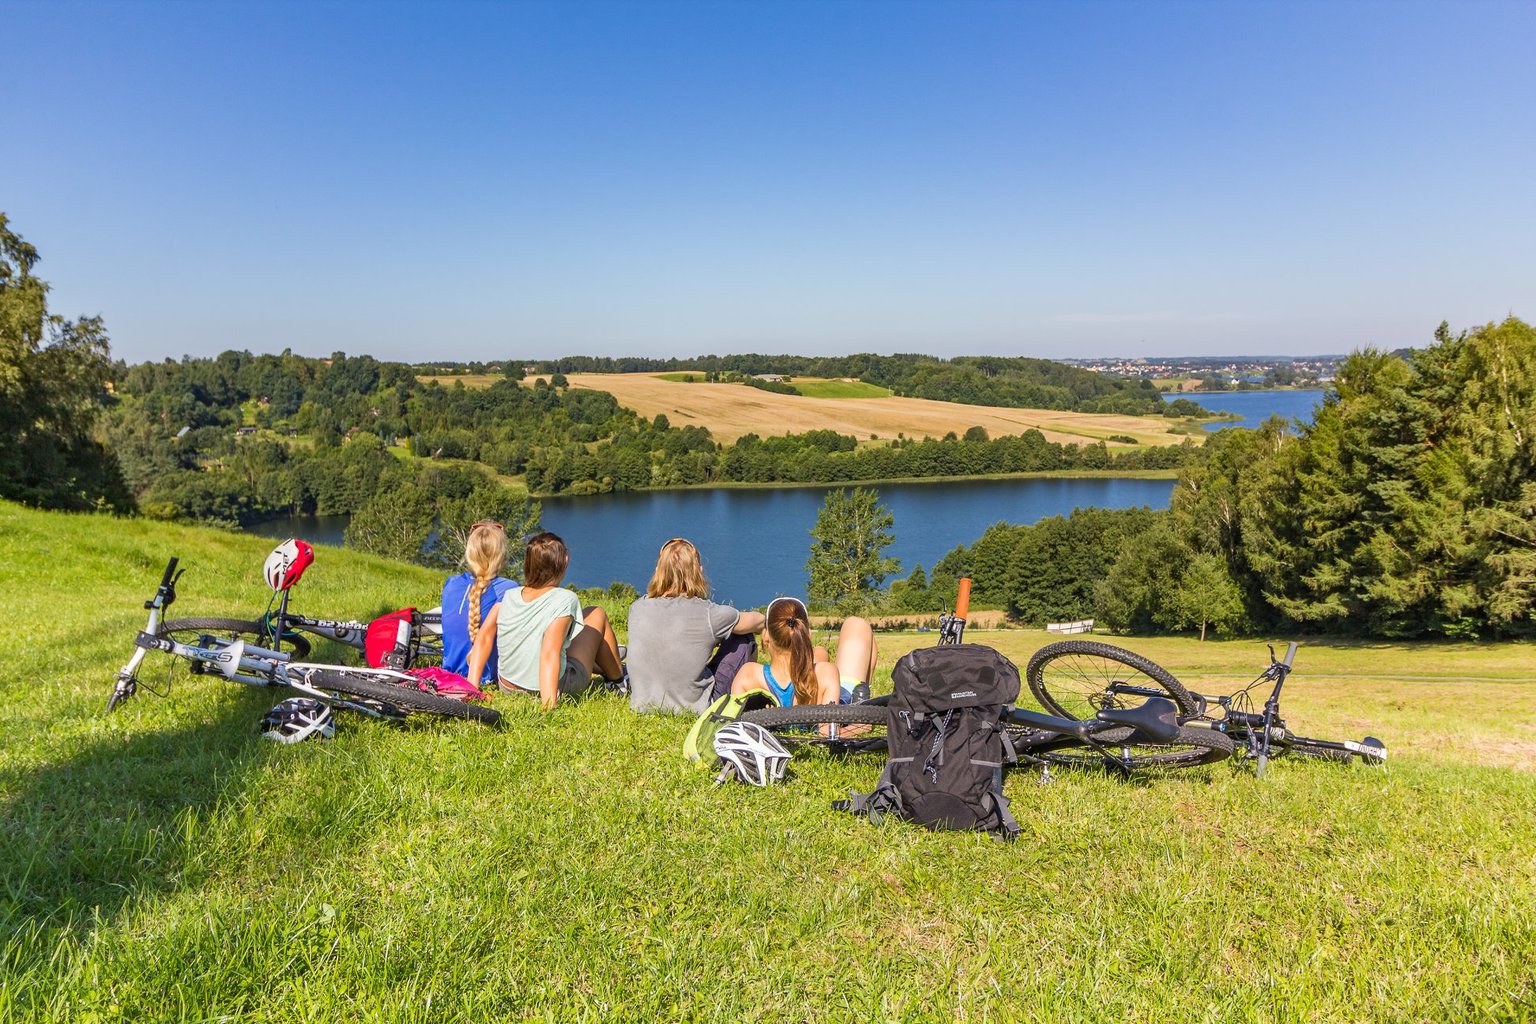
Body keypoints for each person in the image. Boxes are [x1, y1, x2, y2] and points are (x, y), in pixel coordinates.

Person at [466, 531, 624, 709]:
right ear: (564, 561)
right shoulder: (565, 599)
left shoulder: (508, 597)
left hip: (507, 685)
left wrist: (472, 689)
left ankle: (605, 667)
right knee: (596, 613)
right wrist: (549, 705)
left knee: (576, 626)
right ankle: (618, 679)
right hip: (551, 687)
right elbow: (550, 652)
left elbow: (483, 639)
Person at [626, 538, 764, 714]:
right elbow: (757, 621)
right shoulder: (708, 613)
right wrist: (765, 625)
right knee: (743, 637)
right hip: (695, 708)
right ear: (699, 572)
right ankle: (742, 700)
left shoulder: (637, 608)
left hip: (642, 705)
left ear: (657, 571)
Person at [732, 596, 877, 706]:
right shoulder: (827, 673)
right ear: (808, 635)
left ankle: (811, 659)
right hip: (831, 694)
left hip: (805, 684)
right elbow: (829, 733)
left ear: (765, 636)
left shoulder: (747, 675)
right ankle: (862, 700)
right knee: (857, 624)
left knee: (820, 652)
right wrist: (861, 726)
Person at [440, 521, 519, 687]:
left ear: (470, 553)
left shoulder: (451, 583)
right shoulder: (509, 588)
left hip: (449, 673)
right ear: (501, 556)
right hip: (486, 678)